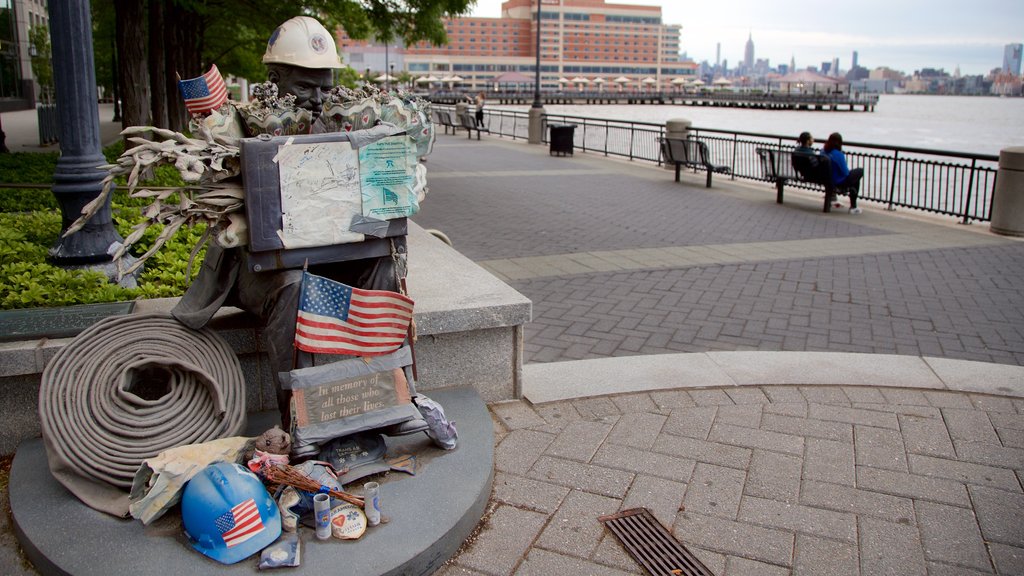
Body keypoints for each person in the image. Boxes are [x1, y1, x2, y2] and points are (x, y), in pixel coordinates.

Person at [171, 16, 402, 427]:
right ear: (274, 78)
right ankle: (302, 418)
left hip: (335, 258)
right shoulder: (237, 123)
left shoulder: (349, 123)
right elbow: (208, 181)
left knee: (385, 265)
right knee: (294, 286)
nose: (317, 98)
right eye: (304, 87)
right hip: (265, 269)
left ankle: (382, 396)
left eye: (325, 87)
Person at [822, 132, 863, 214]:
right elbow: (845, 172)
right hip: (838, 181)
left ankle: (848, 201)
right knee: (859, 171)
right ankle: (853, 205)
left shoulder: (823, 151)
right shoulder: (838, 154)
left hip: (826, 179)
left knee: (855, 178)